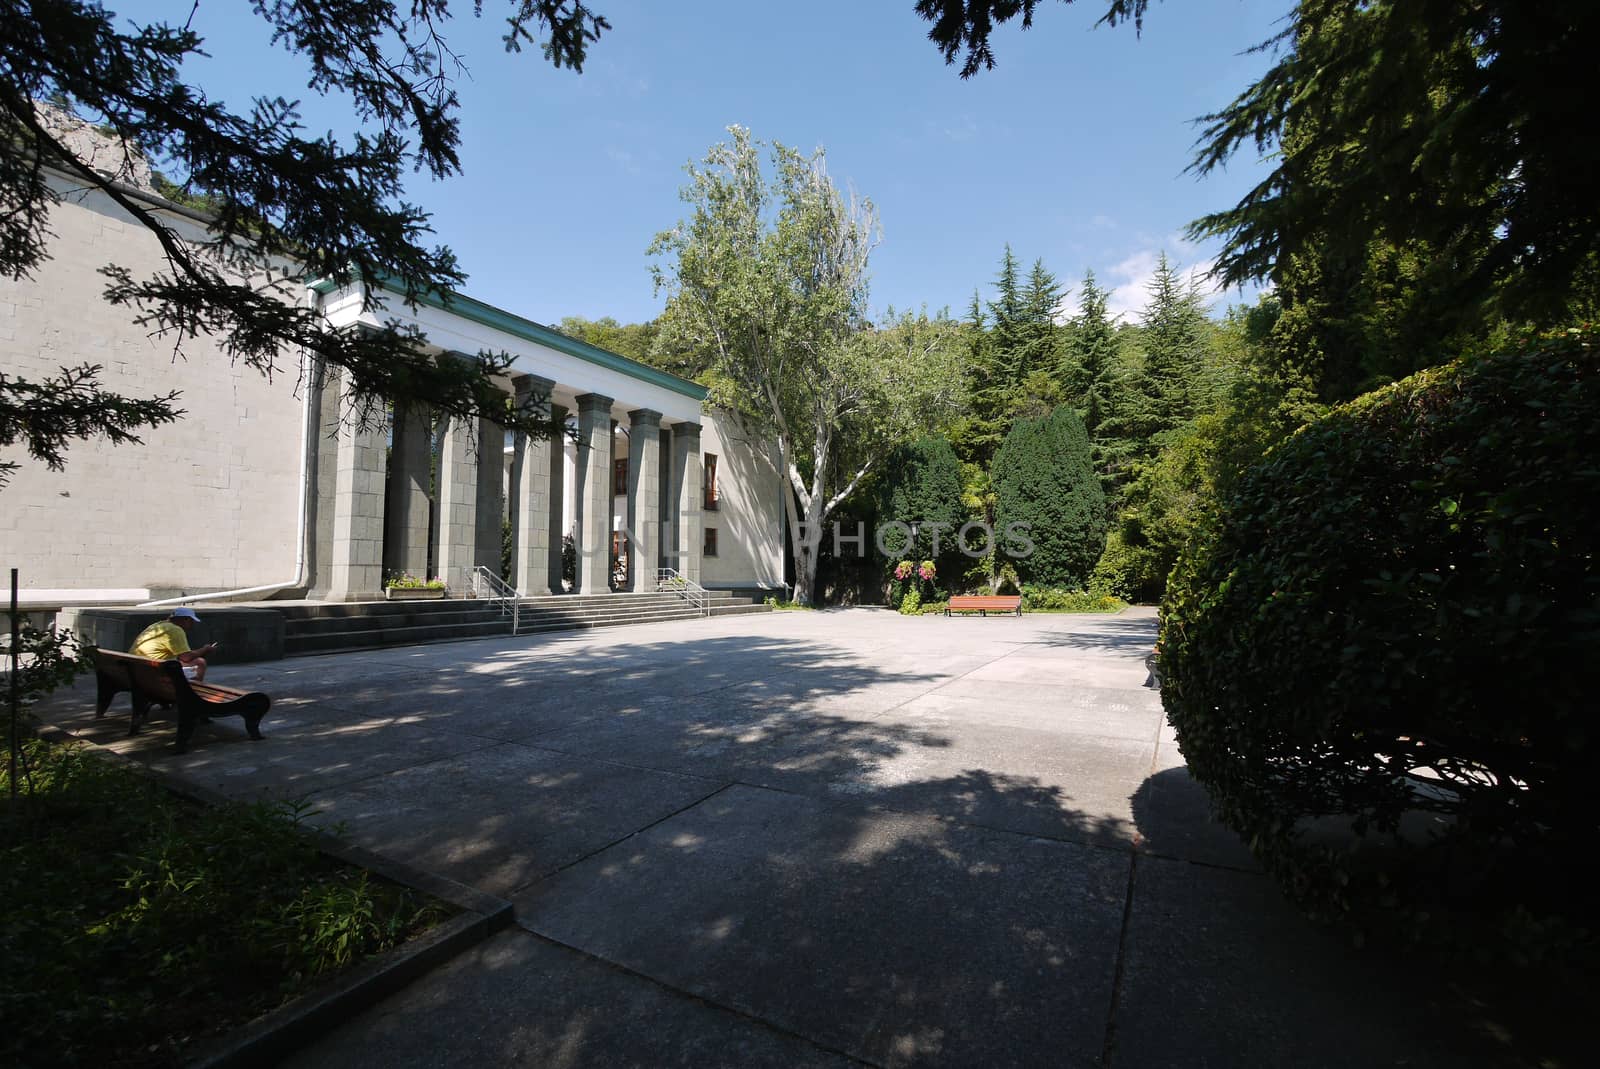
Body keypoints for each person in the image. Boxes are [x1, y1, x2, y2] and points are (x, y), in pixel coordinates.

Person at [129, 607, 216, 681]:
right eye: (191, 621)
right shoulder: (175, 630)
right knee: (200, 663)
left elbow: (180, 656)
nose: (192, 624)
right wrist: (205, 649)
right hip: (152, 671)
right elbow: (186, 657)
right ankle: (192, 694)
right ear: (184, 619)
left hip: (136, 668)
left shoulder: (157, 626)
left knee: (181, 663)